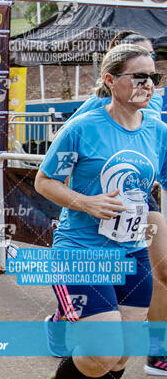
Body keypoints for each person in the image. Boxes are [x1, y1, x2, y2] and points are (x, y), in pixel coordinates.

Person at [35, 44, 167, 379]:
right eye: (140, 77)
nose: (149, 85)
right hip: (81, 251)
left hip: (132, 252)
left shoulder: (157, 131)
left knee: (121, 356)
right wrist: (87, 202)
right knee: (102, 352)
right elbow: (45, 181)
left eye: (154, 77)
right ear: (110, 80)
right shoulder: (82, 128)